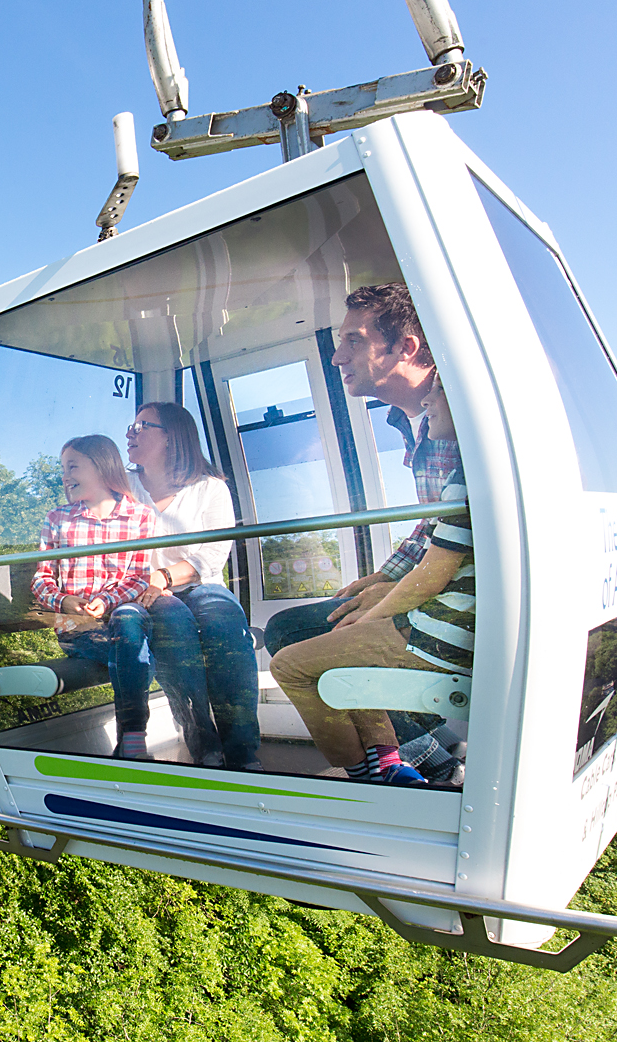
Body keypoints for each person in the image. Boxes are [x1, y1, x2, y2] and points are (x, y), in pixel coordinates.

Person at [260, 282, 463, 779]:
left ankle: (418, 767)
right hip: (431, 585)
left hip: (450, 607)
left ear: (406, 348)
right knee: (296, 626)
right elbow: (439, 519)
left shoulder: (454, 414)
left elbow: (453, 535)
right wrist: (382, 578)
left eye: (354, 340)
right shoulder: (413, 420)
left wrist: (388, 597)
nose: (336, 357)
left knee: (293, 635)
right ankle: (407, 759)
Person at [126, 401, 260, 770]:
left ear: (171, 436)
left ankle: (242, 749)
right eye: (131, 426)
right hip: (146, 593)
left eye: (141, 427)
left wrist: (165, 576)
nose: (129, 433)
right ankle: (204, 745)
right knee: (173, 625)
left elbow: (213, 554)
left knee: (223, 621)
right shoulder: (124, 489)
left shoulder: (209, 488)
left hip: (197, 584)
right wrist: (148, 583)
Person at [31, 434, 161, 760]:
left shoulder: (141, 517)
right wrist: (64, 601)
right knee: (133, 648)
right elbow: (41, 578)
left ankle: (132, 738)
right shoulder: (58, 519)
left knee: (127, 623)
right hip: (79, 630)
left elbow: (138, 577)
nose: (65, 475)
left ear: (101, 466)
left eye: (72, 466)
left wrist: (105, 600)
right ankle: (134, 739)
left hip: (122, 621)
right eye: (63, 468)